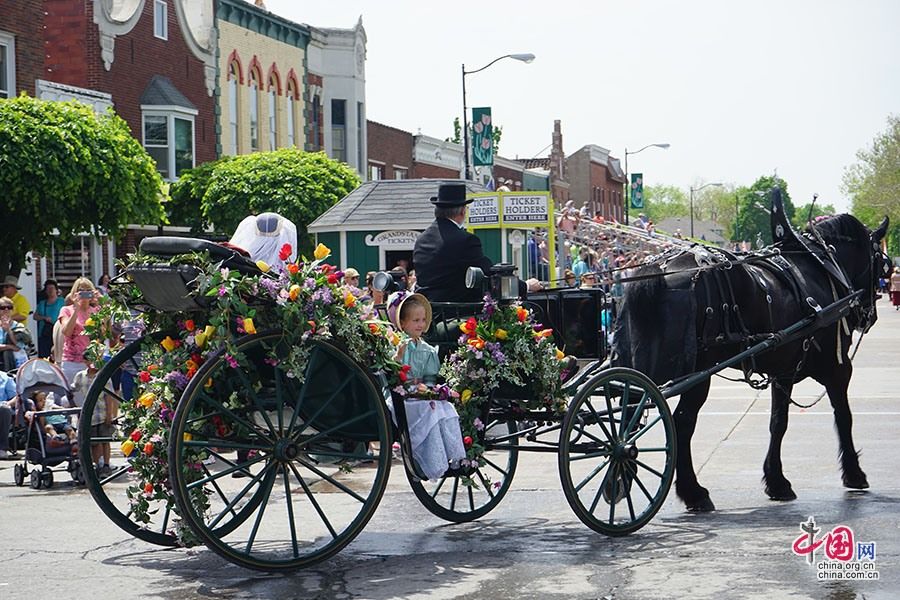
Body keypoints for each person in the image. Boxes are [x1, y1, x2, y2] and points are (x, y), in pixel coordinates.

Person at [414, 183, 541, 302]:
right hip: (457, 311)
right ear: (463, 211)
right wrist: (526, 286)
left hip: (426, 311)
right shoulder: (465, 240)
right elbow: (490, 274)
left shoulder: (421, 240)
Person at [387, 290, 465, 480]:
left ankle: (450, 456)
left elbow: (430, 376)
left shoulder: (427, 349)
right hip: (402, 396)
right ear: (403, 323)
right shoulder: (398, 346)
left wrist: (430, 389)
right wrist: (397, 359)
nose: (420, 324)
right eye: (415, 321)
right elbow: (392, 373)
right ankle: (427, 461)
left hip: (420, 394)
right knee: (430, 411)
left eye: (423, 320)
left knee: (445, 408)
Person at [58, 277, 99, 406]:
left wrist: (102, 303)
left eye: (88, 290)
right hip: (71, 361)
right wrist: (76, 308)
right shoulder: (66, 310)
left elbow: (104, 334)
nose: (85, 293)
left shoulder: (96, 311)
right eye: (81, 290)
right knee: (71, 400)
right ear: (75, 292)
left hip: (91, 362)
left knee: (90, 401)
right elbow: (66, 332)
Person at [34, 279, 65, 358]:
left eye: (52, 288)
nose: (50, 291)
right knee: (44, 354)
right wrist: (44, 317)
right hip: (45, 333)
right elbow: (35, 316)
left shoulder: (62, 301)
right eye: (48, 289)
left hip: (58, 332)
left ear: (56, 290)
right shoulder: (42, 303)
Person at [0, 296, 31, 370]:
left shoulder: (19, 326)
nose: (6, 309)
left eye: (9, 307)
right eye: (2, 307)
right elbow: (15, 347)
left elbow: (20, 346)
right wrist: (10, 347)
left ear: (13, 310)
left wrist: (9, 331)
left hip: (15, 365)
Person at [0, 368, 19, 458]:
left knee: (5, 409)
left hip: (1, 407)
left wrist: (8, 403)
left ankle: (2, 448)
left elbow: (16, 396)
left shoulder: (5, 378)